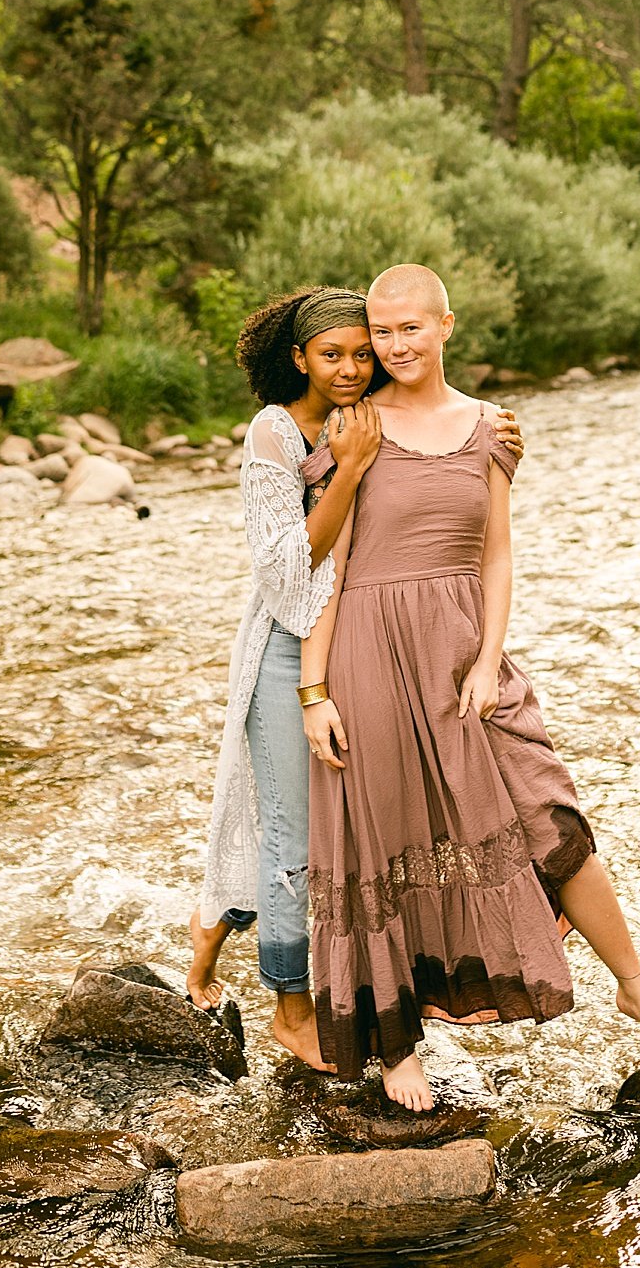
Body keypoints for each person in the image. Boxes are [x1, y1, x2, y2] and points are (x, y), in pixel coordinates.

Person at [300, 263, 640, 1109]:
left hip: (464, 651)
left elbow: (498, 554)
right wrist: (314, 690)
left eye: (412, 328)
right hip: (370, 651)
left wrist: (486, 658)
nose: (396, 345)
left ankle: (636, 985)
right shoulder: (355, 427)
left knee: (550, 815)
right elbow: (324, 567)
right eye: (383, 332)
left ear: (447, 326)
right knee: (385, 843)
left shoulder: (491, 432)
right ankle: (398, 1046)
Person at [190, 284, 523, 1070]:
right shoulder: (273, 433)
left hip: (361, 638)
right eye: (331, 355)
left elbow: (445, 435)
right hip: (287, 640)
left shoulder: (373, 408)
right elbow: (289, 568)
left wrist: (500, 432)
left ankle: (216, 936)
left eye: (361, 353)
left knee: (352, 829)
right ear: (297, 357)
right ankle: (291, 1008)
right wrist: (349, 469)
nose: (350, 368)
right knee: (294, 834)